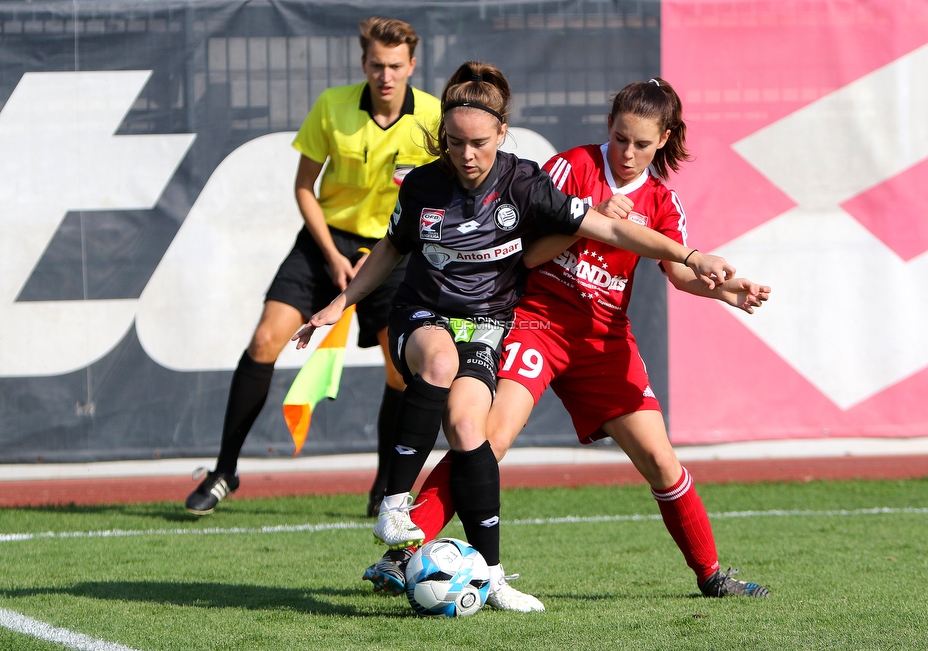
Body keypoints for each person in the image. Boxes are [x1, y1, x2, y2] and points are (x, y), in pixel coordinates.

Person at [293, 63, 736, 611]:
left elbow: (677, 269)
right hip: (536, 319)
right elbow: (524, 249)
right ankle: (401, 552)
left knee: (661, 459)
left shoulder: (662, 203)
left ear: (663, 140)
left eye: (641, 144)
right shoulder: (569, 168)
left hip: (603, 339)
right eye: (619, 137)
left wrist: (717, 285)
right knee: (485, 433)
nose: (626, 151)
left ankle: (712, 573)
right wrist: (584, 218)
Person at [185, 17, 441, 517]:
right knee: (263, 341)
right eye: (375, 65)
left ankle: (385, 487)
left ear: (412, 65)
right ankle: (224, 471)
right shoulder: (332, 106)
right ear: (362, 63)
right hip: (325, 241)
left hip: (394, 249)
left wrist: (384, 255)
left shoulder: (433, 116)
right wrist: (333, 256)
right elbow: (305, 187)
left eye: (395, 66)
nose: (384, 76)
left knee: (400, 371)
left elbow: (438, 196)